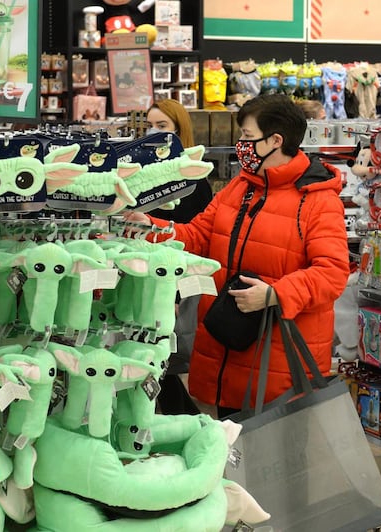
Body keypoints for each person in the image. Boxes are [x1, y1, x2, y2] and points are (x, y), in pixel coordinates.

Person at [128, 94, 349, 417]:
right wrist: (150, 227)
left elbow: (332, 272)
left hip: (279, 356)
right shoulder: (240, 187)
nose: (241, 145)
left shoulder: (317, 200)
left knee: (276, 443)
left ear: (275, 140)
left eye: (247, 136)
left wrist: (275, 294)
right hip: (227, 345)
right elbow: (198, 235)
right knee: (231, 437)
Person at [144, 98, 213, 415]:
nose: (154, 132)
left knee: (165, 361)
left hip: (174, 279)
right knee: (153, 361)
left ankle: (187, 421)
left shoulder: (193, 178)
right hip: (144, 275)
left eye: (162, 126)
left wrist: (175, 291)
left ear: (179, 130)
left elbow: (195, 238)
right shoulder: (145, 174)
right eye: (149, 126)